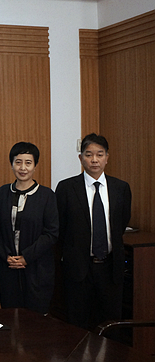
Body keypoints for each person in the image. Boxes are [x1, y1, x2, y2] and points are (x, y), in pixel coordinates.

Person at [55, 133, 131, 330]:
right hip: (79, 269)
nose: (94, 160)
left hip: (110, 268)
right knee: (77, 326)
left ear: (107, 157)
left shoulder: (121, 188)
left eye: (99, 154)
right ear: (81, 158)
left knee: (110, 325)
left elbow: (121, 222)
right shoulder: (66, 188)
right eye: (89, 155)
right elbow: (61, 228)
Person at [0, 142, 59, 315]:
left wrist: (26, 257)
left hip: (37, 267)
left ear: (35, 165)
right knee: (10, 315)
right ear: (12, 164)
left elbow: (51, 233)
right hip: (8, 267)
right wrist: (6, 255)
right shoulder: (2, 193)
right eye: (18, 162)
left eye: (28, 163)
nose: (23, 168)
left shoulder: (47, 195)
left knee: (36, 318)